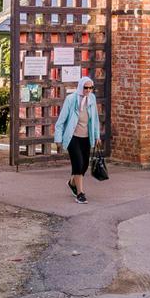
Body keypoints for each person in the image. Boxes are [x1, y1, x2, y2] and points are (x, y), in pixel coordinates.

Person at [54, 76, 103, 204]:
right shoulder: (71, 99)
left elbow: (95, 120)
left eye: (90, 88)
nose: (88, 90)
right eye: (86, 88)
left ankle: (72, 182)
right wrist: (58, 139)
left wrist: (97, 136)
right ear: (81, 87)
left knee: (85, 165)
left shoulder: (91, 99)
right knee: (78, 164)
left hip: (87, 137)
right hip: (73, 137)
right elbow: (61, 121)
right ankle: (80, 193)